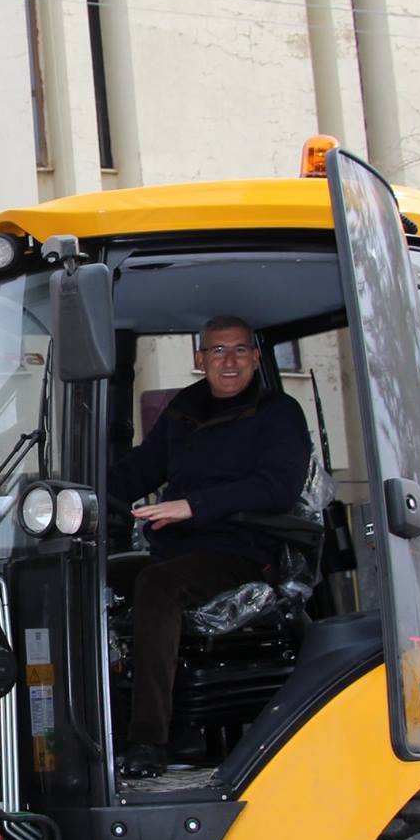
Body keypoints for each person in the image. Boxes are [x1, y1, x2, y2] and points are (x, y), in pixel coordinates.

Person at [109, 314, 313, 777]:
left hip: (242, 552)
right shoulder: (187, 409)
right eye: (218, 351)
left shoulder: (277, 413)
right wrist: (75, 493)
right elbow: (141, 469)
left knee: (158, 586)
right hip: (177, 548)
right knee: (92, 576)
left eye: (240, 350)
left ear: (256, 358)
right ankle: (101, 724)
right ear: (199, 359)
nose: (229, 361)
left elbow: (277, 488)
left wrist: (192, 506)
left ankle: (149, 741)